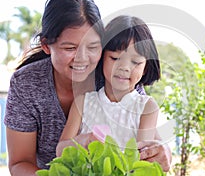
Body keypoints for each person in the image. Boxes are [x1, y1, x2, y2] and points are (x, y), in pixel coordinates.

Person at [4, 0, 171, 175]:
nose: (82, 58)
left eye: (93, 46)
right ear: (46, 45)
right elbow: (20, 163)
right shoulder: (27, 83)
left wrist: (165, 154)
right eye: (70, 48)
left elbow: (148, 141)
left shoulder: (115, 74)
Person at [57, 15, 161, 155]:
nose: (124, 67)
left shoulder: (146, 108)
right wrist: (83, 141)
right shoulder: (82, 102)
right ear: (102, 58)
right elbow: (60, 150)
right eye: (115, 58)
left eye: (135, 62)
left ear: (145, 68)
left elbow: (141, 158)